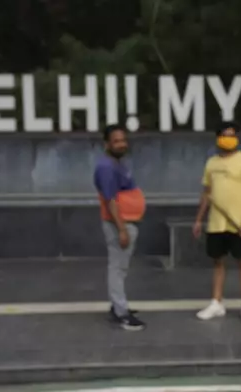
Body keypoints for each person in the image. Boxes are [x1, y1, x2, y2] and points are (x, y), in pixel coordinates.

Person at [193, 121, 241, 324]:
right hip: (216, 223)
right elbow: (206, 194)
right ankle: (216, 303)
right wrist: (198, 220)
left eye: (232, 135)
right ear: (218, 138)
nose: (228, 139)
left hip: (238, 224)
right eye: (225, 135)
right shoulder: (211, 163)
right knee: (218, 262)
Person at [94, 124, 146, 331]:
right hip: (119, 224)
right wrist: (122, 228)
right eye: (116, 141)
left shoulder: (117, 163)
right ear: (107, 144)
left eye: (123, 140)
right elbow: (110, 200)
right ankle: (121, 313)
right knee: (117, 268)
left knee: (120, 269)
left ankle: (118, 306)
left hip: (126, 222)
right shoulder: (106, 166)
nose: (121, 144)